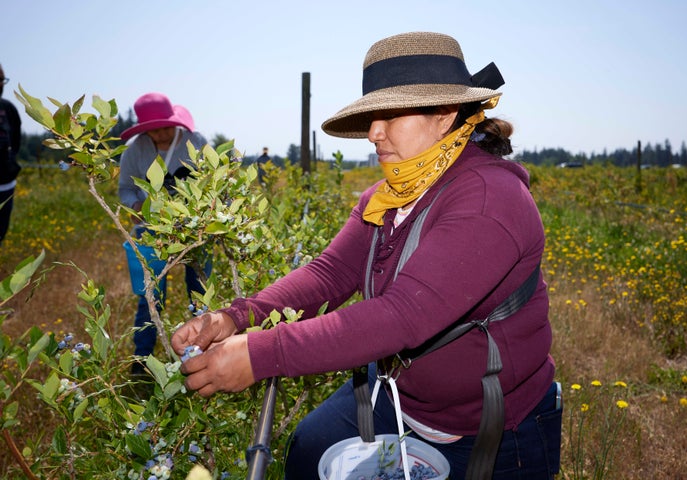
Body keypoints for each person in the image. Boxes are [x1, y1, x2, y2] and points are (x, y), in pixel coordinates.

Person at [172, 32, 560, 479]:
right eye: (373, 116)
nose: (375, 132)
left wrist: (261, 354)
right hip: (394, 400)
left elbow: (403, 317)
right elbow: (330, 274)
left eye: (391, 114)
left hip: (490, 432)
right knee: (306, 452)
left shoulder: (490, 200)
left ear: (445, 114)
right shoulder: (390, 195)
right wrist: (235, 318)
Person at [119, 92, 209, 375]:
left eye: (165, 126)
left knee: (200, 293)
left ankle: (203, 355)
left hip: (195, 232)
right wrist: (135, 205)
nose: (160, 133)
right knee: (151, 297)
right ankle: (142, 360)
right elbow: (125, 188)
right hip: (152, 233)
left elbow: (214, 181)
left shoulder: (196, 142)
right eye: (153, 129)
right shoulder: (135, 151)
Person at [0, 64, 22, 246]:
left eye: (2, 80)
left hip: (6, 184)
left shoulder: (8, 109)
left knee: (0, 232)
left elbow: (15, 142)